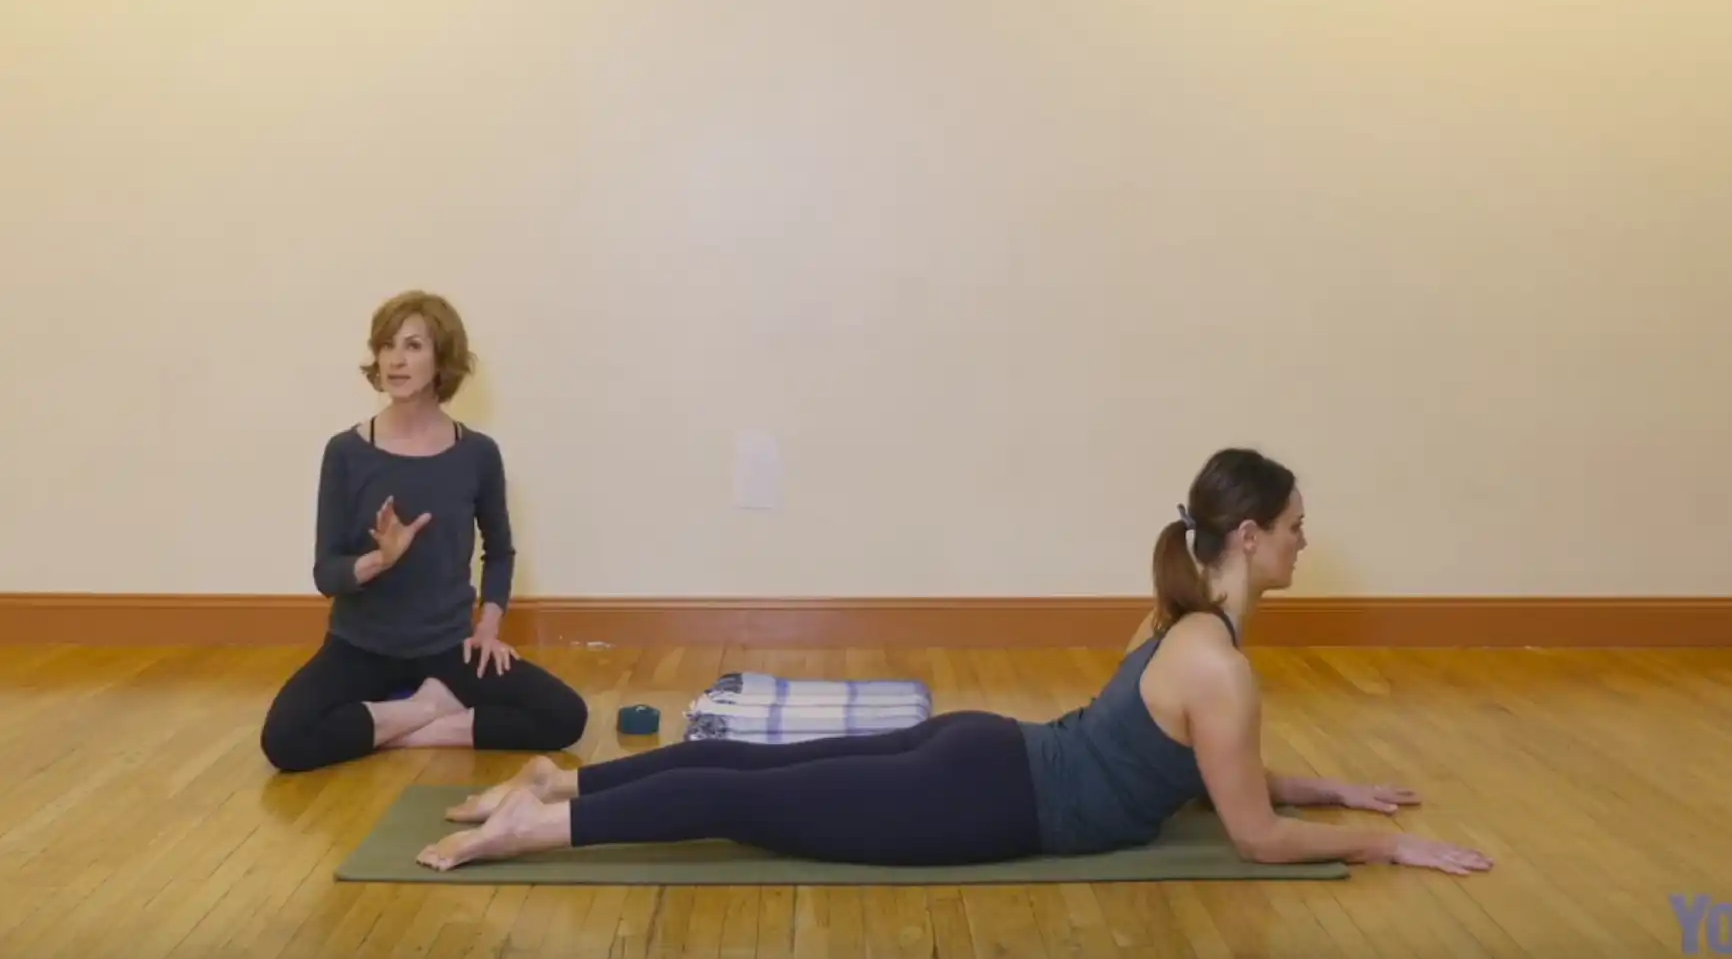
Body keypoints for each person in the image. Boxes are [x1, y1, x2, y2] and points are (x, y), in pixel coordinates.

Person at [415, 448, 1493, 877]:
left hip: (981, 752)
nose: (1308, 540)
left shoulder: (1178, 617)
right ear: (1250, 537)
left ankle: (562, 779)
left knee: (750, 771)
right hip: (986, 798)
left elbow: (1217, 773)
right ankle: (535, 826)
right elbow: (1251, 834)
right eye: (1298, 525)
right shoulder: (1221, 661)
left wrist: (1331, 788)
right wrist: (1381, 849)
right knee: (746, 800)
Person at [260, 290, 589, 773]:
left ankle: (398, 724)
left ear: (442, 360)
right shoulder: (346, 453)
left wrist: (488, 629)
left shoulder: (477, 453)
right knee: (284, 742)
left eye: (413, 346)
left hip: (448, 648)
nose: (395, 359)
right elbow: (326, 573)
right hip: (360, 646)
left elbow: (499, 552)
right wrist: (380, 561)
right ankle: (426, 709)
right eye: (387, 346)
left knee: (565, 717)